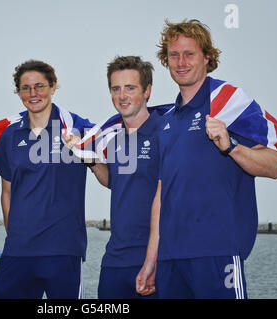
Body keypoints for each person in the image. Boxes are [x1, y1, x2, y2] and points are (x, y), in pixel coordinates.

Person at [136, 19, 277, 299]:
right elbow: (162, 194)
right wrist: (151, 260)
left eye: (189, 54)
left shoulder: (228, 102)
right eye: (173, 55)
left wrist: (231, 146)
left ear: (207, 57)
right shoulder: (166, 121)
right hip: (171, 258)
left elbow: (274, 165)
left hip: (217, 253)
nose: (181, 62)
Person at [0, 60, 94, 299]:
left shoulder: (77, 128)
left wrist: (86, 153)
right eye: (25, 88)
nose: (33, 93)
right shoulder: (9, 135)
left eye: (40, 86)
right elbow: (6, 192)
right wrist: (15, 234)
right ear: (18, 92)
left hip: (64, 249)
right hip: (18, 251)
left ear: (54, 86)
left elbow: (107, 171)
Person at [81, 56, 161, 299]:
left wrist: (153, 260)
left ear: (147, 91)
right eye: (116, 89)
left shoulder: (165, 133)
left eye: (130, 88)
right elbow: (115, 182)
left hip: (157, 259)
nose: (122, 95)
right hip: (115, 259)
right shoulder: (114, 138)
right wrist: (91, 160)